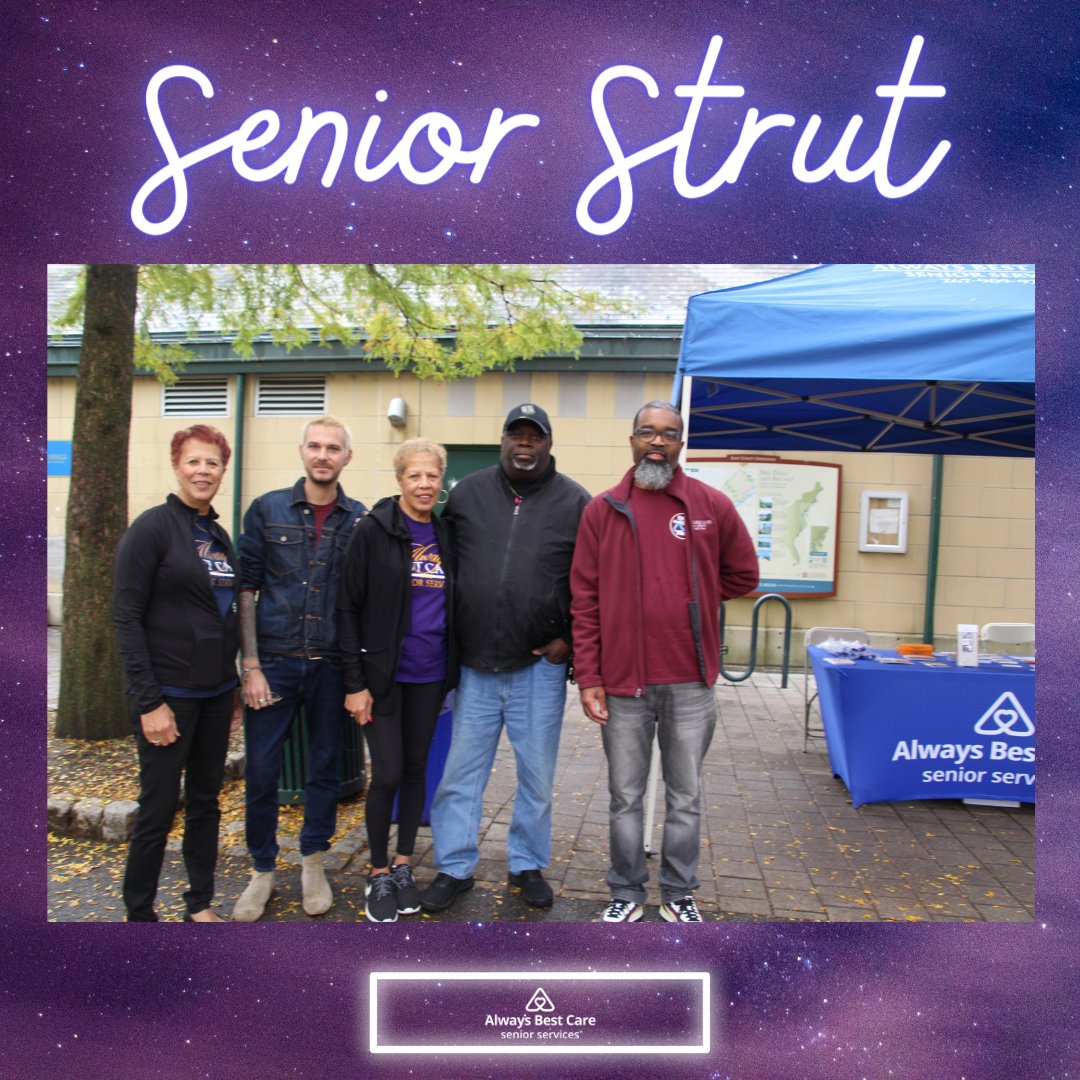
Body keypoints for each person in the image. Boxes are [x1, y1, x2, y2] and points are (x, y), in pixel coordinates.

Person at [570, 401, 759, 923]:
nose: (658, 442)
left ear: (681, 444)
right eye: (647, 433)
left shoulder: (709, 505)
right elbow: (583, 599)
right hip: (623, 685)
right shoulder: (602, 510)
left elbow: (744, 575)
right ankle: (625, 893)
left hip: (689, 683)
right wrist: (589, 676)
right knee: (625, 799)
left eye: (669, 435)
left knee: (686, 797)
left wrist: (692, 592)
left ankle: (679, 894)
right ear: (631, 440)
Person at [420, 403, 590, 914]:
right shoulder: (468, 493)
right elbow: (434, 554)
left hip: (538, 668)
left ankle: (527, 863)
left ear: (548, 443)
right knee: (459, 776)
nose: (524, 444)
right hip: (473, 667)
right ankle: (453, 866)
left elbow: (592, 583)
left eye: (534, 436)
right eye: (515, 434)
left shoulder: (576, 503)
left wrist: (572, 641)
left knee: (536, 776)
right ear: (502, 441)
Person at [231, 417, 366, 921]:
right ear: (302, 452)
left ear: (346, 457)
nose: (323, 455)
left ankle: (313, 861)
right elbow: (246, 588)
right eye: (315, 446)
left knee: (325, 768)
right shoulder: (266, 511)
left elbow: (360, 601)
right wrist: (251, 664)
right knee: (262, 770)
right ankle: (262, 870)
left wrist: (358, 677)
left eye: (334, 447)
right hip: (275, 665)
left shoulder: (359, 520)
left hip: (331, 666)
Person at [113, 425, 242, 922]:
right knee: (158, 810)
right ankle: (140, 915)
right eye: (194, 461)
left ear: (222, 470)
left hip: (214, 695)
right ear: (177, 466)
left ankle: (199, 904)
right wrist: (149, 702)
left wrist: (230, 685)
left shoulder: (217, 535)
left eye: (212, 463)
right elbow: (126, 617)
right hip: (168, 695)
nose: (203, 471)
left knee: (206, 803)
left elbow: (224, 613)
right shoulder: (152, 529)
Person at [337, 439, 457, 922]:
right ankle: (378, 872)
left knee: (414, 770)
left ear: (440, 480)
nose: (424, 485)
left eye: (432, 476)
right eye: (415, 476)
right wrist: (354, 682)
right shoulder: (374, 532)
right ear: (399, 480)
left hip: (430, 677)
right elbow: (347, 607)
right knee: (385, 773)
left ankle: (405, 864)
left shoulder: (446, 536)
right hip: (382, 678)